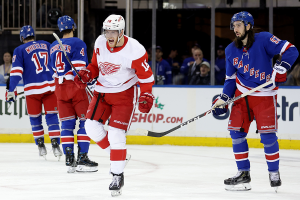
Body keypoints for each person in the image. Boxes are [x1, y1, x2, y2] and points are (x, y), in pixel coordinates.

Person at [212, 11, 299, 192]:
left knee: (268, 137)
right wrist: (224, 98)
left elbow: (291, 49)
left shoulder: (264, 39)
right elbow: (230, 79)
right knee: (236, 134)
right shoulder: (230, 50)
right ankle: (243, 173)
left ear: (248, 26)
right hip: (242, 96)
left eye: (238, 25)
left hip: (265, 97)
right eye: (233, 25)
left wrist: (282, 66)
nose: (235, 29)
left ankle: (273, 173)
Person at [74, 14, 155, 196]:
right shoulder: (100, 42)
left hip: (125, 93)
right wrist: (87, 73)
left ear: (121, 32)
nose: (109, 35)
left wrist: (147, 94)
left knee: (116, 133)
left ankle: (117, 174)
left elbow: (146, 78)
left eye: (113, 31)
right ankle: (119, 155)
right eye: (107, 31)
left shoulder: (135, 50)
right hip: (103, 91)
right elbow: (95, 66)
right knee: (90, 127)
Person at [49, 15, 98, 173]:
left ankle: (69, 159)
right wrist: (88, 81)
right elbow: (80, 71)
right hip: (75, 87)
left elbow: (53, 71)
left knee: (67, 125)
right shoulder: (78, 42)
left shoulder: (53, 46)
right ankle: (82, 158)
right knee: (85, 122)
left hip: (60, 89)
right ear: (73, 27)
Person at [5, 25, 62, 160]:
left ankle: (41, 146)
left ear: (22, 37)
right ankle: (55, 145)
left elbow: (16, 72)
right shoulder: (47, 44)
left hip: (32, 90)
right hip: (50, 87)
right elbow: (57, 62)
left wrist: (11, 89)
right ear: (33, 36)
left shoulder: (19, 49)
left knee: (35, 118)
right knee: (52, 117)